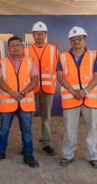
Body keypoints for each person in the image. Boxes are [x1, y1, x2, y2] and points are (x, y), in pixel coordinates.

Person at [56, 26, 97, 169]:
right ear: (70, 42)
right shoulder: (62, 57)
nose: (77, 42)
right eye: (73, 40)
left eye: (79, 39)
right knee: (70, 129)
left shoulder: (94, 55)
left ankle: (93, 156)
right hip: (71, 99)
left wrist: (85, 91)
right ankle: (68, 155)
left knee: (92, 128)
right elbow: (59, 76)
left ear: (85, 40)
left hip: (89, 98)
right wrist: (72, 91)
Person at [0, 36, 40, 168]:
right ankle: (0, 152)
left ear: (22, 47)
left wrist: (22, 93)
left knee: (27, 130)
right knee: (4, 130)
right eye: (12, 46)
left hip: (25, 102)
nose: (15, 48)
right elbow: (0, 81)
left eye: (18, 45)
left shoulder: (30, 61)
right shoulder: (2, 62)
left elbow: (35, 80)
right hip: (8, 102)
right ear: (8, 48)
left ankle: (28, 156)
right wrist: (13, 93)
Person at [25, 21, 59, 155]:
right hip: (30, 89)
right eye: (36, 34)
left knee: (46, 117)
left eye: (41, 33)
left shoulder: (53, 49)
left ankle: (46, 143)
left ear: (45, 35)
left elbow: (59, 69)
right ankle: (26, 143)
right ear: (32, 35)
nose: (39, 36)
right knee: (28, 118)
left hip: (47, 89)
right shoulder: (26, 50)